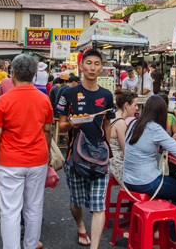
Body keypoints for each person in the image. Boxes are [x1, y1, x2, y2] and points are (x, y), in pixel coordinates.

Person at [0, 54, 53, 249]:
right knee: (34, 206)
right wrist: (46, 155)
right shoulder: (44, 99)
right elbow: (47, 131)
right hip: (38, 158)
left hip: (10, 161)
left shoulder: (3, 100)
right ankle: (31, 245)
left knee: (10, 209)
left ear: (12, 73)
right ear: (33, 74)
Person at [57, 49, 115, 248]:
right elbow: (61, 126)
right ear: (81, 66)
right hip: (75, 157)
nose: (92, 67)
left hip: (99, 157)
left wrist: (106, 147)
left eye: (96, 63)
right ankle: (80, 225)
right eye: (88, 63)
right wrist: (73, 124)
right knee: (76, 201)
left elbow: (108, 123)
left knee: (99, 206)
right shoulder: (68, 93)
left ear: (101, 67)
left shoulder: (107, 95)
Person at [123, 95, 176, 237]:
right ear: (162, 112)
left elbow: (145, 146)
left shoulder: (133, 123)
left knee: (173, 179)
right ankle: (163, 229)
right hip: (146, 182)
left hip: (128, 179)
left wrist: (166, 142)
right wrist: (169, 141)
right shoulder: (155, 128)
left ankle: (160, 220)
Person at [109, 90, 139, 187]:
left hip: (108, 161)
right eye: (135, 105)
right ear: (126, 105)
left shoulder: (113, 117)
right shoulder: (121, 123)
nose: (137, 108)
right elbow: (126, 150)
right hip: (116, 164)